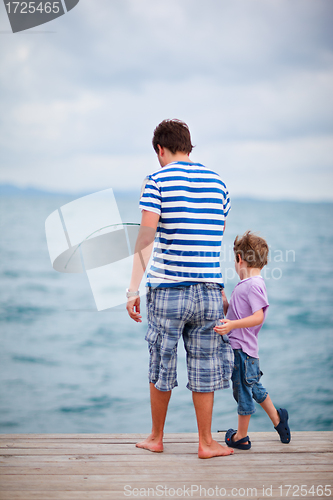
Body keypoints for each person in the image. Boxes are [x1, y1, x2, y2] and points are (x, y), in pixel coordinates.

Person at [126, 119, 234, 459]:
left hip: (168, 289)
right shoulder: (219, 183)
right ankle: (206, 443)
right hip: (208, 289)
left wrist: (132, 289)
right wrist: (219, 287)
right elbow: (214, 237)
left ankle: (157, 437)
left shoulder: (156, 180)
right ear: (188, 146)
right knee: (204, 363)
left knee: (162, 361)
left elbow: (146, 236)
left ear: (161, 149)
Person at [214, 231, 291, 450]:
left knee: (243, 393)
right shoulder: (248, 284)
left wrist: (231, 326)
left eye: (234, 262)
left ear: (240, 259)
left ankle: (241, 437)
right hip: (246, 349)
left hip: (243, 351)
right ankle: (278, 419)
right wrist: (226, 305)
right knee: (255, 387)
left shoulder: (253, 284)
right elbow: (240, 314)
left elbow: (258, 316)